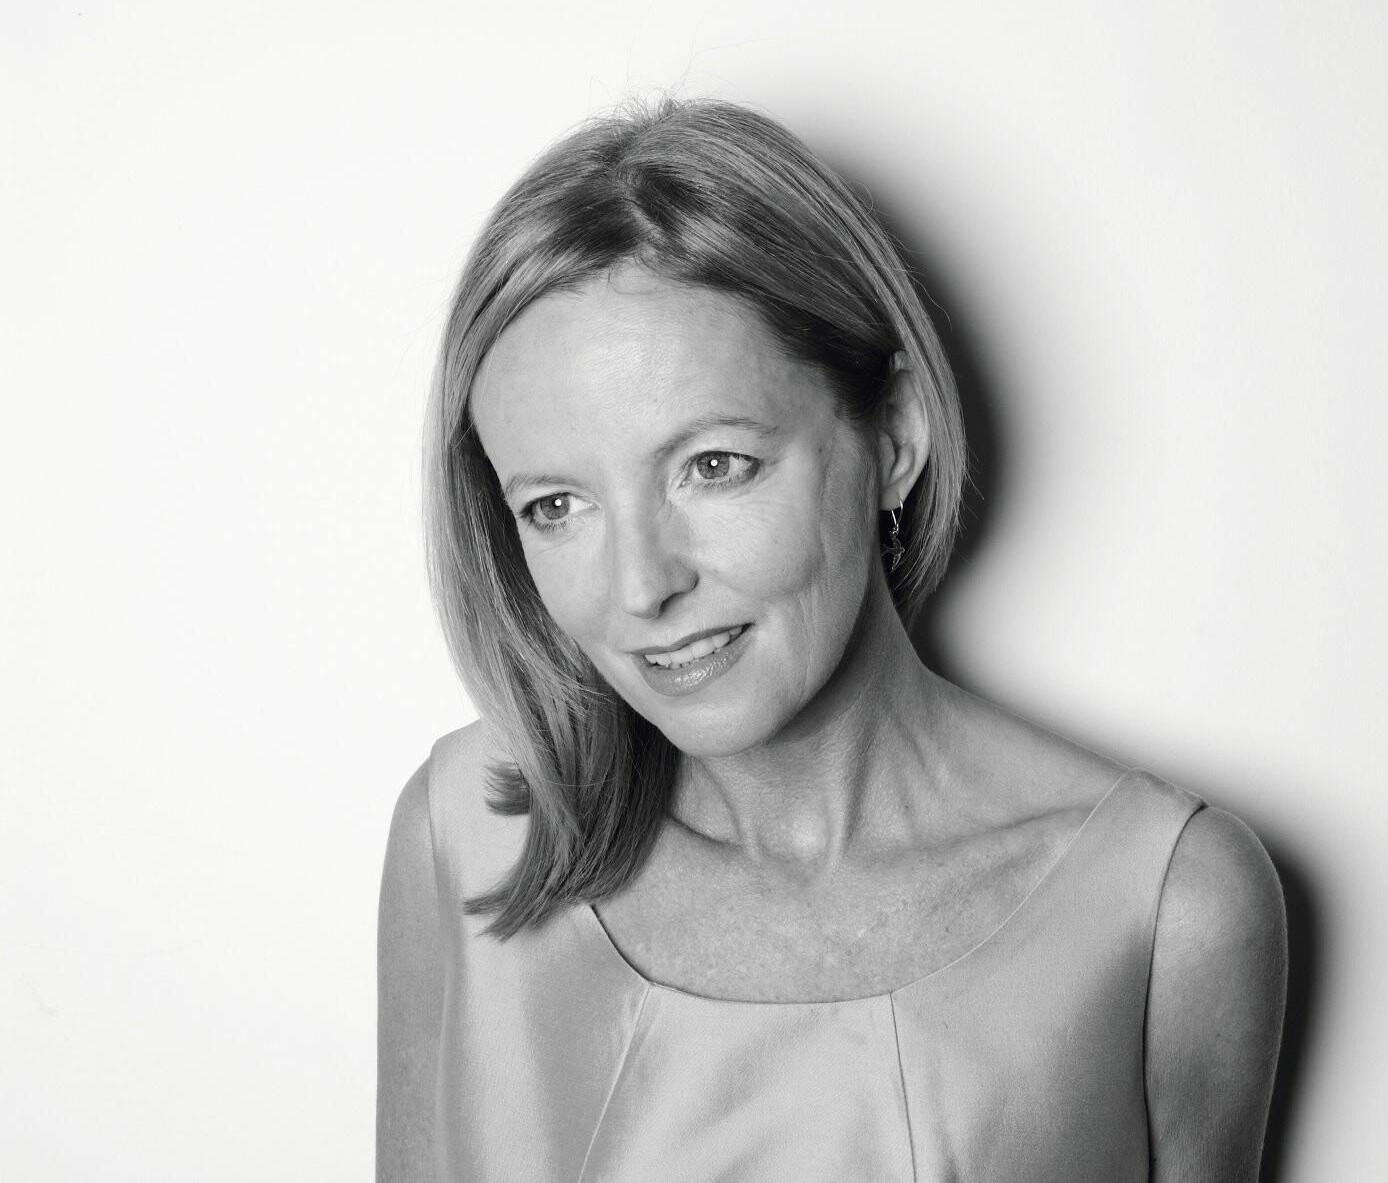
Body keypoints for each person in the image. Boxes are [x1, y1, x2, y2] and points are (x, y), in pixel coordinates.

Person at [377, 96, 1287, 1182]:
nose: (642, 586)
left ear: (893, 435)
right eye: (557, 506)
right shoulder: (466, 835)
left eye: (713, 466)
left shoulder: (1168, 907)